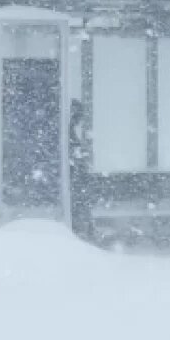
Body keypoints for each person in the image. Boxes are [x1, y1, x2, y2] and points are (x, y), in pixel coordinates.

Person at [68, 99, 93, 241]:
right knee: (80, 204)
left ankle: (84, 232)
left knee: (80, 204)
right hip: (76, 181)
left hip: (75, 180)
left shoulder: (68, 132)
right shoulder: (69, 133)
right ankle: (84, 233)